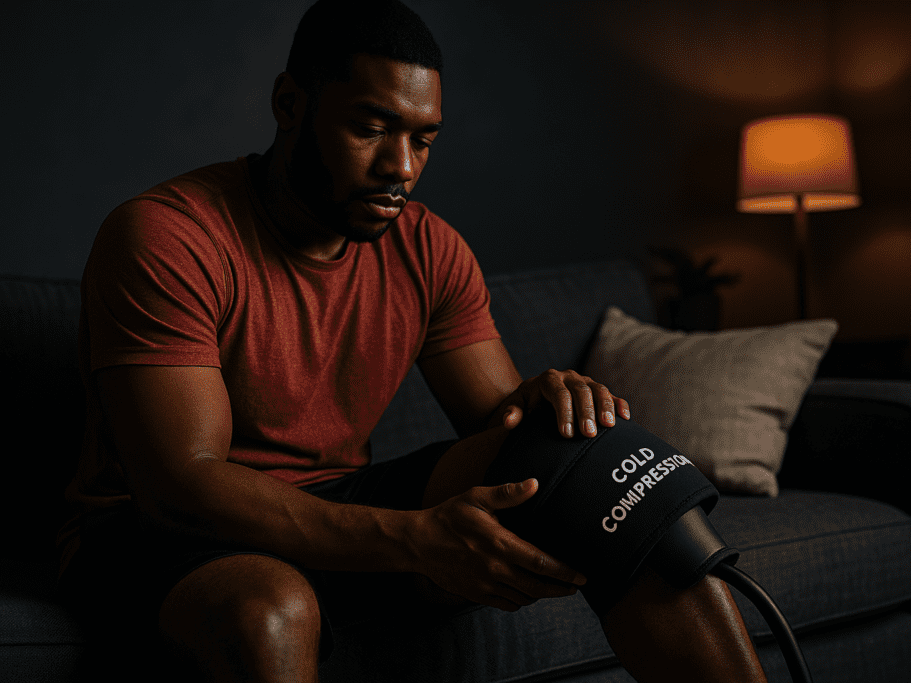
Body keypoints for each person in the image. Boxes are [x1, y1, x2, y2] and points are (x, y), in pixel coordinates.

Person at [56, 1, 768, 681]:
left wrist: (553, 409)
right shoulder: (168, 236)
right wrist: (410, 537)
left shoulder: (428, 247)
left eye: (422, 139)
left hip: (337, 499)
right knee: (269, 610)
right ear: (289, 103)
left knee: (590, 461)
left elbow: (503, 426)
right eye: (370, 127)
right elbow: (181, 485)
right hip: (153, 534)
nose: (400, 166)